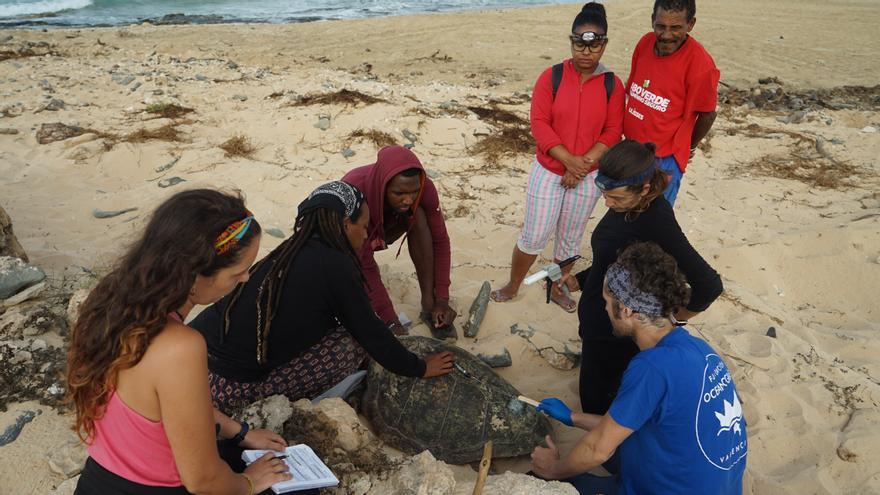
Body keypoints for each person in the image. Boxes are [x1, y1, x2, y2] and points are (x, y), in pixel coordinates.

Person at [67, 189, 292, 495]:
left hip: (98, 481)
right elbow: (203, 481)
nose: (245, 279)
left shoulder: (111, 303)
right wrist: (252, 481)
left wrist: (239, 432)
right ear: (194, 274)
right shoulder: (180, 346)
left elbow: (171, 404)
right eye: (237, 272)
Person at [190, 181, 454, 414]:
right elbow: (370, 333)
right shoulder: (335, 265)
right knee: (351, 343)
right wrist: (419, 368)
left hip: (193, 361)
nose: (365, 235)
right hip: (228, 390)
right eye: (363, 227)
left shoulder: (292, 248)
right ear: (345, 224)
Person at [531, 242, 747, 495]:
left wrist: (553, 470)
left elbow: (597, 449)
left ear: (626, 310)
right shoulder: (699, 349)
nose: (603, 308)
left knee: (541, 481)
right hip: (714, 484)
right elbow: (633, 422)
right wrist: (572, 417)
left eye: (606, 301)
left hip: (669, 487)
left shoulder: (651, 368)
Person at [571, 140, 722, 417]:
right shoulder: (629, 204)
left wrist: (674, 318)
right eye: (604, 194)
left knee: (601, 410)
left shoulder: (656, 219)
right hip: (597, 326)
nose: (607, 202)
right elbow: (617, 258)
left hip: (614, 337)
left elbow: (709, 285)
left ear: (644, 188)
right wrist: (579, 281)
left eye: (615, 198)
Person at [491, 2, 624, 312]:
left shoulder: (611, 85)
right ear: (571, 41)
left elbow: (612, 130)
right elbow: (539, 123)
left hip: (588, 175)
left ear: (603, 44)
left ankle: (557, 286)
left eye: (594, 44)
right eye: (579, 43)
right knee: (535, 235)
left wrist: (581, 167)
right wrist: (568, 161)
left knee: (569, 238)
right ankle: (514, 284)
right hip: (550, 170)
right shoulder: (550, 77)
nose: (586, 51)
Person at [342, 145, 456, 336]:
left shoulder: (423, 187)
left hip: (387, 227)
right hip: (351, 239)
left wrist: (442, 299)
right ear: (384, 185)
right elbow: (366, 266)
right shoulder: (355, 191)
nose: (408, 200)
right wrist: (391, 321)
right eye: (399, 193)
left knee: (419, 214)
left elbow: (440, 240)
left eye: (413, 192)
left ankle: (429, 305)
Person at [623, 0, 719, 206]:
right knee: (624, 212)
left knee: (653, 221)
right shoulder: (645, 43)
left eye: (675, 28)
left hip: (664, 159)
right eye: (661, 26)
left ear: (690, 24)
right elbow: (633, 88)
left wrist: (688, 146)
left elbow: (708, 114)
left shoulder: (701, 65)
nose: (666, 35)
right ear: (652, 21)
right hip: (631, 150)